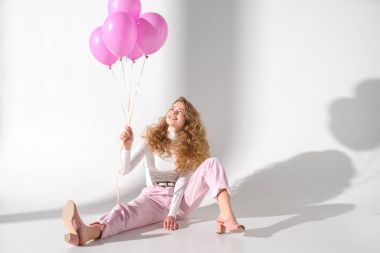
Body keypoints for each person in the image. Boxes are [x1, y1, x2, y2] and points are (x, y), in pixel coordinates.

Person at [62, 96, 245, 246]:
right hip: (153, 198)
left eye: (180, 112)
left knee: (212, 163)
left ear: (187, 122)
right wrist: (126, 147)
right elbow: (125, 170)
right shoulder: (151, 141)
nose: (174, 112)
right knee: (123, 212)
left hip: (181, 201)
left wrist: (172, 214)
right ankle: (87, 232)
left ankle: (226, 214)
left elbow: (181, 182)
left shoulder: (189, 148)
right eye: (172, 108)